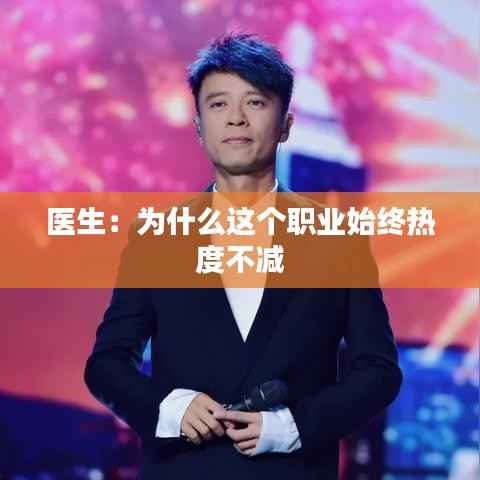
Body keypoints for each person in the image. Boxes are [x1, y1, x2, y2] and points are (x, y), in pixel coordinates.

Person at [84, 33, 403, 479]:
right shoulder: (156, 238)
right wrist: (169, 409)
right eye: (218, 104)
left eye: (255, 102)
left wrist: (294, 427)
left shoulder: (338, 239)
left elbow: (379, 370)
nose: (236, 118)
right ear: (199, 126)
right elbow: (107, 364)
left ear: (285, 124)